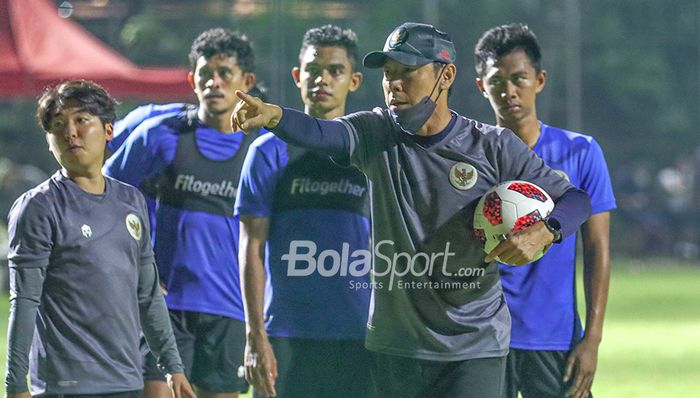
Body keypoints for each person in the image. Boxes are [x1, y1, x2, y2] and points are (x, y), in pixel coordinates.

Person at [232, 22, 592, 397]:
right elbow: (322, 134)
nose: (393, 84)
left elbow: (576, 200)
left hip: (473, 349)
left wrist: (544, 231)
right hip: (395, 349)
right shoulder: (375, 133)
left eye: (407, 72)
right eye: (388, 74)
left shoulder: (492, 146)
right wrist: (275, 117)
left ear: (446, 75)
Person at [4, 80, 195, 398]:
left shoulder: (131, 201)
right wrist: (15, 385)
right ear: (49, 140)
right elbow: (24, 301)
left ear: (109, 131)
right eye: (58, 125)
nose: (70, 132)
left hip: (125, 381)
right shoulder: (37, 207)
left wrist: (172, 367)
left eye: (81, 120)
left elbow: (148, 295)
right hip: (65, 386)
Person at [105, 28, 260, 398]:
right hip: (166, 304)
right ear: (192, 79)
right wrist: (134, 261)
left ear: (247, 81)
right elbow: (107, 194)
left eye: (226, 73)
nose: (215, 82)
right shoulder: (161, 135)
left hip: (230, 308)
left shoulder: (260, 149)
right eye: (206, 73)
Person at [474, 23, 616, 398]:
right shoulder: (470, 158)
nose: (508, 91)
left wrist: (593, 340)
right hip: (483, 340)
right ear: (480, 86)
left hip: (555, 340)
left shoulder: (581, 152)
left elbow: (597, 248)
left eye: (519, 78)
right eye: (496, 80)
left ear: (539, 80)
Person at [235, 25, 373, 397]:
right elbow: (251, 247)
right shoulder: (268, 152)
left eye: (335, 70)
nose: (322, 79)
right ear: (298, 76)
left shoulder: (372, 154)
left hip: (361, 336)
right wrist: (255, 335)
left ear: (354, 80)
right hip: (286, 336)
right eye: (313, 70)